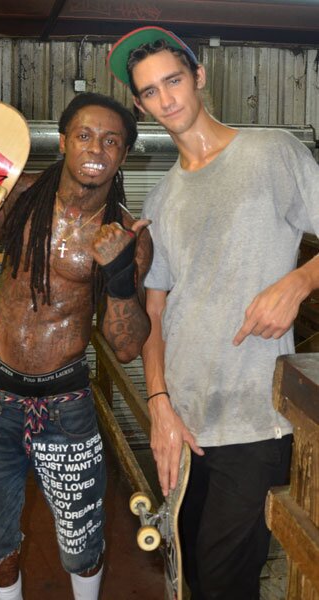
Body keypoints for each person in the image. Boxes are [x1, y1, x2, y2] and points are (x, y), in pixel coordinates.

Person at [107, 26, 319, 599]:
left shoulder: (272, 153)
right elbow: (155, 309)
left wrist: (299, 282)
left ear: (199, 77)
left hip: (253, 419)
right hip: (182, 422)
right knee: (191, 574)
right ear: (140, 103)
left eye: (173, 81)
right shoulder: (162, 197)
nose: (166, 99)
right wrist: (158, 406)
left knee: (226, 578)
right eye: (150, 92)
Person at [0, 92, 152, 600]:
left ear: (123, 155)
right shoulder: (22, 199)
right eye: (85, 135)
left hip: (65, 406)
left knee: (81, 541)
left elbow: (127, 345)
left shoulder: (126, 236)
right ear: (64, 141)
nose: (97, 148)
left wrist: (117, 275)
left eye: (111, 140)